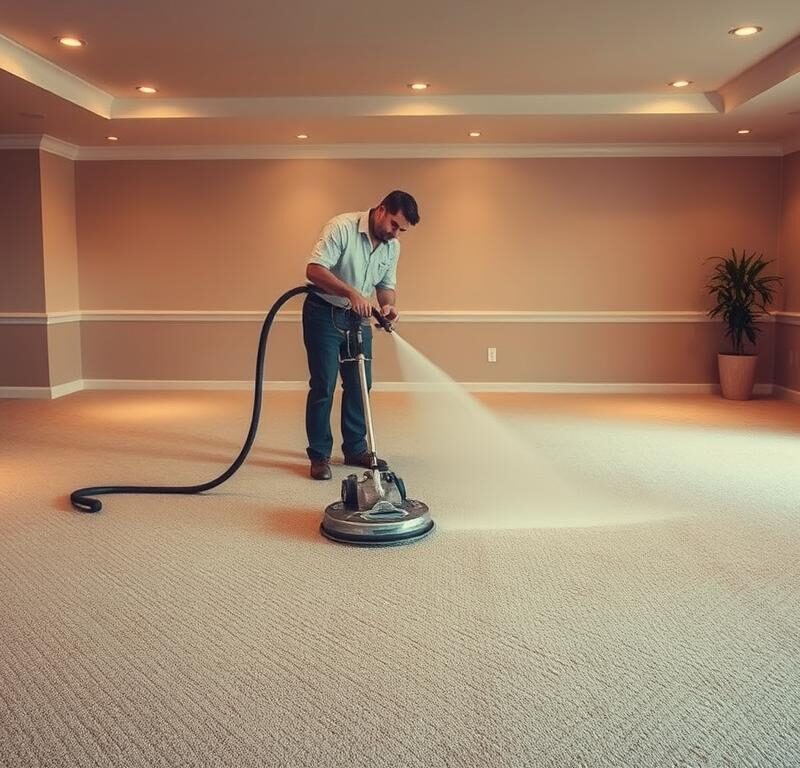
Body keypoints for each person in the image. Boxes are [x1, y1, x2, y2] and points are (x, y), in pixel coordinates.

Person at [303, 190, 420, 480]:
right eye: (394, 225)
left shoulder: (392, 247)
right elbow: (314, 270)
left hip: (359, 319)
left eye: (402, 230)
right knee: (324, 385)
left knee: (360, 385)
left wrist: (387, 305)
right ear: (381, 209)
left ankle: (355, 449)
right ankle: (319, 456)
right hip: (323, 313)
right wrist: (350, 292)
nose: (396, 233)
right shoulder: (341, 227)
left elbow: (385, 285)